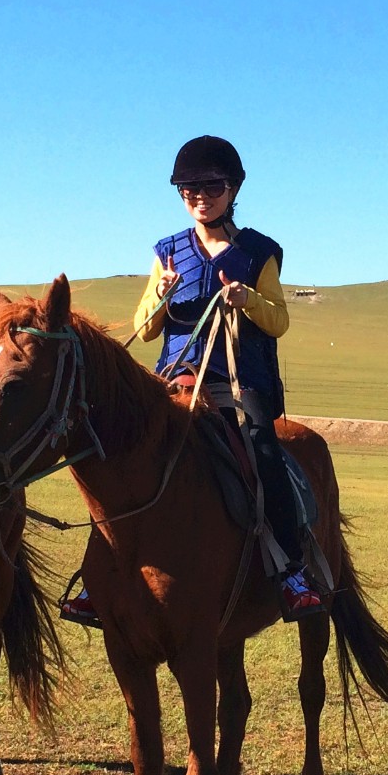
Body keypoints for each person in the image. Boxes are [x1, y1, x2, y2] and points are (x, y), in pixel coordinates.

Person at [60, 135, 323, 624]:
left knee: (265, 454)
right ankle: (97, 577)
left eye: (211, 186)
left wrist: (249, 302)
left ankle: (291, 571)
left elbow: (279, 321)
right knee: (117, 459)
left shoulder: (259, 252)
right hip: (174, 382)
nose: (200, 196)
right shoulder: (168, 251)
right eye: (188, 188)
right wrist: (158, 296)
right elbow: (143, 330)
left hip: (239, 386)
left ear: (233, 188)